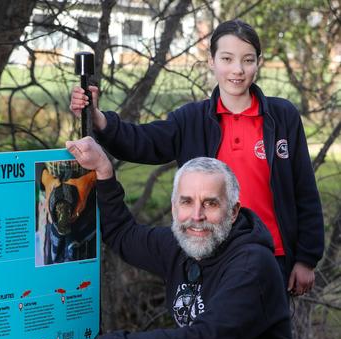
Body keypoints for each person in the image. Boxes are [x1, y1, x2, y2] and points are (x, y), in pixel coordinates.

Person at [69, 19, 323, 296]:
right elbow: (141, 142)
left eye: (247, 60)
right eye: (227, 59)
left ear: (258, 62)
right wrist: (98, 118)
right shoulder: (191, 120)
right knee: (211, 337)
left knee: (267, 337)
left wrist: (306, 259)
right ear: (212, 61)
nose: (237, 70)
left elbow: (304, 190)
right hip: (212, 257)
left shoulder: (282, 117)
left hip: (273, 256)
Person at [65, 137, 298, 339]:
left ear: (234, 211)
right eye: (187, 202)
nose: (197, 216)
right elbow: (123, 235)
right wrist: (104, 171)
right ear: (175, 207)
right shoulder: (180, 245)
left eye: (210, 203)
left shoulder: (253, 265)